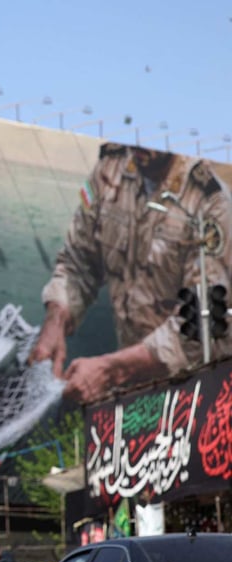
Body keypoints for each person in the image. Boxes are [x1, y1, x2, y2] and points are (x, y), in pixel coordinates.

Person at [29, 143, 232, 403]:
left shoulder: (211, 203)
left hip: (199, 395)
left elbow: (200, 329)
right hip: (132, 389)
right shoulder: (110, 170)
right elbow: (79, 261)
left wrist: (110, 370)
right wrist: (55, 321)